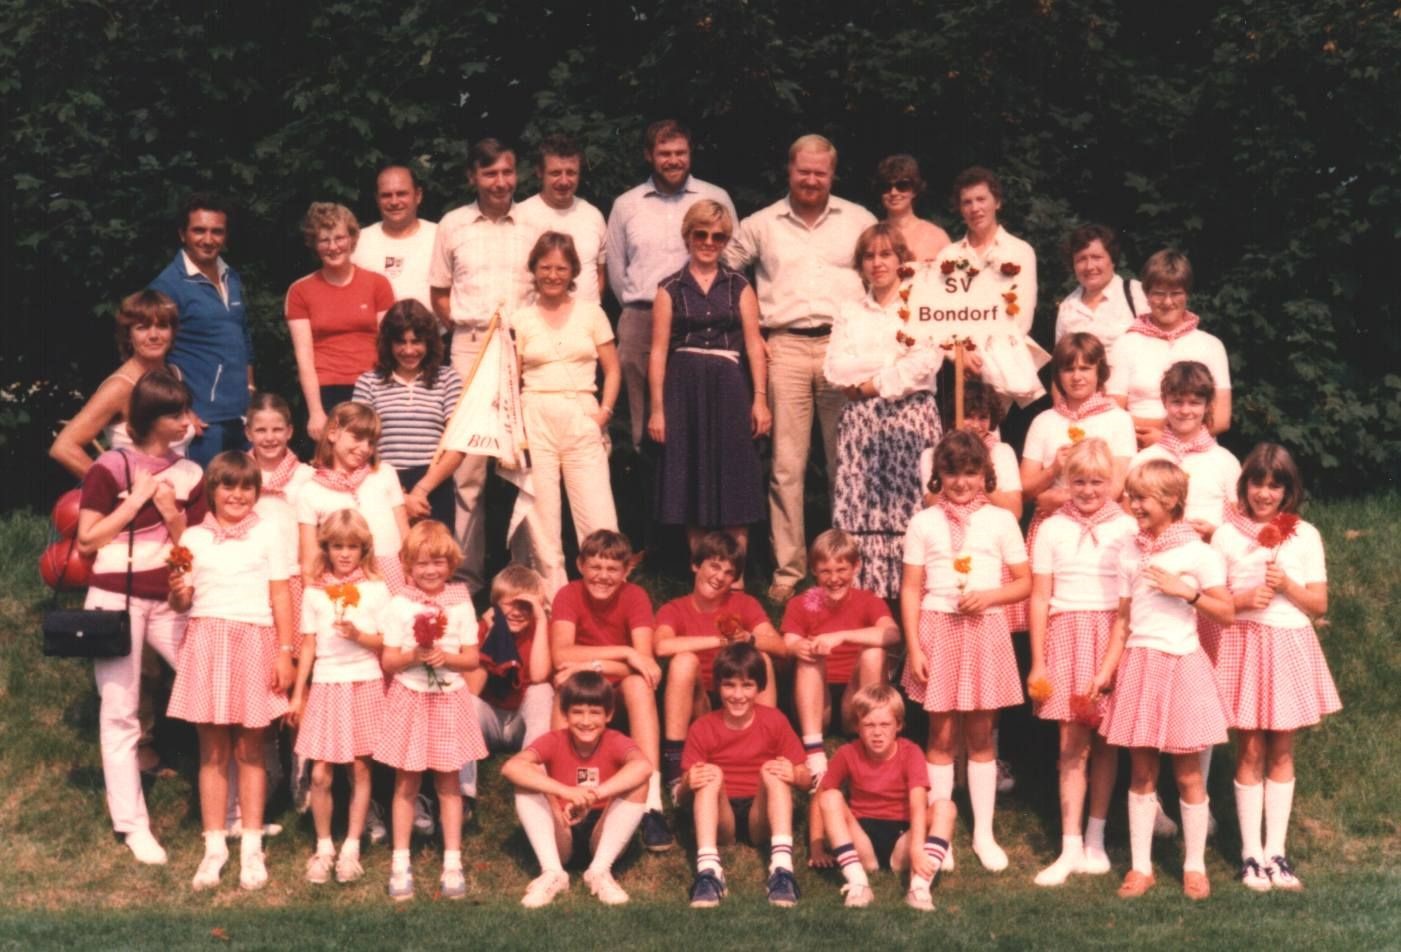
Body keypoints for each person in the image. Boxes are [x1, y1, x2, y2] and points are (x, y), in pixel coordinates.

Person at [724, 134, 877, 601]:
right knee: (786, 468)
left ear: (833, 174)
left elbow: (889, 273)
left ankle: (844, 568)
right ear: (789, 171)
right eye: (803, 171)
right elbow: (723, 274)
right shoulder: (761, 224)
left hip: (843, 347)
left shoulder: (859, 220)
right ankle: (788, 573)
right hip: (784, 346)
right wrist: (751, 332)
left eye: (821, 172)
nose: (811, 180)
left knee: (845, 465)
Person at [75, 370, 205, 865]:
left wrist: (173, 518)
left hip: (170, 598)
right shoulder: (109, 466)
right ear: (153, 419)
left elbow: (191, 546)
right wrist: (136, 499)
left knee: (210, 682)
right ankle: (133, 825)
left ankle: (232, 808)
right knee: (121, 712)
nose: (187, 422)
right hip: (115, 596)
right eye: (177, 414)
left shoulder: (192, 474)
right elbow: (88, 539)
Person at [1089, 459, 1234, 901]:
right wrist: (1105, 670)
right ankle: (1140, 867)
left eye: (1142, 498)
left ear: (1171, 501)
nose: (1133, 505)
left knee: (1189, 774)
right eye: (1130, 497)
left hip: (1183, 663)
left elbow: (1226, 613)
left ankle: (1194, 867)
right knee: (1142, 771)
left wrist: (1185, 591)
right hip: (1139, 664)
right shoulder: (1131, 550)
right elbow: (1123, 621)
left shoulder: (1199, 553)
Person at [1211, 444, 1340, 892]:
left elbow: (1319, 603)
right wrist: (1244, 600)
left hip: (1287, 641)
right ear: (1245, 485)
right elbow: (1214, 602)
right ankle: (1250, 855)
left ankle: (1276, 853)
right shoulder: (1227, 535)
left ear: (1288, 489)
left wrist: (1285, 584)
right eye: (1257, 483)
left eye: (1275, 484)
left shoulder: (1305, 535)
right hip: (1244, 642)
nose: (1265, 494)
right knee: (1248, 749)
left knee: (1281, 750)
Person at [900, 430, 1030, 872]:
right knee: (939, 735)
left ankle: (984, 833)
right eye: (952, 473)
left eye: (971, 473)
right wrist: (914, 645)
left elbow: (1025, 582)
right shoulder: (923, 522)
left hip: (984, 628)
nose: (961, 482)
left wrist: (991, 597)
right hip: (938, 628)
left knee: (979, 733)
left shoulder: (1000, 521)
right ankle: (943, 830)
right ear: (938, 475)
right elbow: (911, 587)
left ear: (985, 476)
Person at [166, 452, 295, 891]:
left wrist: (284, 651)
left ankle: (251, 846)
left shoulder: (271, 532)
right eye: (228, 486)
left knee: (251, 749)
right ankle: (215, 845)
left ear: (256, 492)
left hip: (255, 641)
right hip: (206, 641)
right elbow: (183, 603)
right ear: (212, 491)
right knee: (213, 751)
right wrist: (178, 593)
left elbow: (281, 595)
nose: (237, 495)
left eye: (246, 487)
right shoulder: (193, 539)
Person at [1025, 439, 1137, 885]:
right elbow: (1038, 597)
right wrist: (1038, 662)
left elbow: (1130, 599)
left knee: (1107, 740)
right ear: (1066, 482)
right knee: (1071, 744)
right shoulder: (1051, 527)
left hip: (1114, 634)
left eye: (1097, 481)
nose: (1088, 490)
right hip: (1066, 633)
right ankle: (1070, 846)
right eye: (1079, 481)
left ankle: (1096, 838)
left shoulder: (1128, 527)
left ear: (1112, 483)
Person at [428, 137, 533, 593]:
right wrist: (472, 335)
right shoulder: (453, 225)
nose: (500, 182)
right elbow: (439, 293)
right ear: (473, 177)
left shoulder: (532, 224)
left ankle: (524, 574)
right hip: (470, 346)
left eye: (507, 172)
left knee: (525, 463)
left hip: (523, 350)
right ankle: (467, 578)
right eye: (490, 174)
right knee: (467, 470)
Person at [825, 223, 942, 598]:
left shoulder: (920, 307)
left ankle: (910, 607)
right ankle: (863, 605)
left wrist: (874, 382)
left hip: (911, 417)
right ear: (861, 265)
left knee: (909, 507)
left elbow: (926, 360)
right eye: (869, 256)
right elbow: (835, 369)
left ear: (901, 260)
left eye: (886, 254)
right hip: (860, 422)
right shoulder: (849, 310)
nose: (878, 263)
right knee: (863, 511)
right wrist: (893, 360)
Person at [373, 520, 486, 902]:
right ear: (407, 565)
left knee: (448, 784)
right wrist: (414, 655)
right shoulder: (400, 603)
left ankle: (452, 861)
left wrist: (446, 658)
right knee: (406, 783)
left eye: (438, 562)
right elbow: (389, 660)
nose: (430, 570)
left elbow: (471, 658)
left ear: (451, 564)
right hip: (410, 695)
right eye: (421, 564)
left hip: (448, 696)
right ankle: (400, 860)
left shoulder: (461, 599)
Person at [607, 119, 737, 448]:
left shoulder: (714, 196)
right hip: (642, 318)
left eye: (680, 152)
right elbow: (616, 268)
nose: (674, 160)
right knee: (643, 419)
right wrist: (638, 307)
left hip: (700, 319)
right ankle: (651, 491)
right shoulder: (627, 204)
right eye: (665, 153)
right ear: (649, 156)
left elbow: (729, 255)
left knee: (693, 416)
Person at [649, 200, 769, 553]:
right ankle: (700, 568)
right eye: (700, 234)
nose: (708, 242)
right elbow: (657, 352)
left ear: (725, 241)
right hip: (683, 387)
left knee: (735, 470)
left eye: (717, 236)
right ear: (688, 236)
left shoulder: (740, 286)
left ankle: (737, 573)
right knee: (691, 468)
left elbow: (753, 345)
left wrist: (760, 399)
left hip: (729, 385)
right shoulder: (669, 288)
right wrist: (658, 409)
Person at [512, 231, 622, 594]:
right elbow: (511, 379)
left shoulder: (591, 313)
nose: (553, 275)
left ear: (573, 270)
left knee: (598, 513)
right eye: (545, 267)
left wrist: (604, 413)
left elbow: (613, 368)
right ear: (534, 269)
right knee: (543, 521)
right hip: (536, 415)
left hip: (582, 414)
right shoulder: (521, 318)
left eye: (561, 267)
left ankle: (606, 594)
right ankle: (552, 600)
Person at [549, 529, 672, 850]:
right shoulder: (568, 594)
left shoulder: (635, 597)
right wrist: (624, 653)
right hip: (581, 692)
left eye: (612, 569)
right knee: (565, 682)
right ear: (580, 565)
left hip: (618, 692)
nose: (603, 576)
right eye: (595, 567)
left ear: (626, 570)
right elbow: (561, 656)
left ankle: (651, 804)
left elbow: (644, 664)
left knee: (639, 684)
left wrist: (592, 664)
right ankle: (563, 796)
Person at [287, 510, 390, 885]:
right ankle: (324, 846)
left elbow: (386, 641)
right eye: (337, 546)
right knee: (319, 773)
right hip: (328, 685)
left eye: (352, 547)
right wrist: (299, 695)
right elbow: (310, 644)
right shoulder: (314, 590)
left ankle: (351, 847)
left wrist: (359, 635)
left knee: (360, 768)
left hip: (363, 682)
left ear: (364, 549)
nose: (345, 554)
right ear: (325, 547)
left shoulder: (376, 589)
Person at [502, 671, 652, 908]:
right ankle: (552, 872)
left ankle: (600, 871)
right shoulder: (554, 739)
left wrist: (594, 795)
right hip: (563, 827)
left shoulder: (615, 739)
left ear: (608, 715)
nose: (585, 721)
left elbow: (643, 766)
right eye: (577, 712)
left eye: (594, 712)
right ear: (565, 714)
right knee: (527, 777)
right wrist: (566, 792)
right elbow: (511, 767)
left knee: (639, 781)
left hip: (603, 828)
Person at [654, 532, 786, 796]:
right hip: (699, 700)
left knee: (761, 658)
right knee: (684, 661)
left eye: (728, 572)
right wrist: (719, 642)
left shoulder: (743, 603)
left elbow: (780, 645)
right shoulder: (674, 608)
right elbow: (661, 646)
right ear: (696, 565)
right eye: (714, 566)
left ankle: (764, 753)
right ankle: (674, 770)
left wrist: (749, 638)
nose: (719, 577)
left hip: (738, 695)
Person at [680, 643, 811, 909]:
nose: (738, 695)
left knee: (772, 769)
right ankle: (708, 871)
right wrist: (687, 782)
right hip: (722, 813)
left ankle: (782, 869)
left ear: (760, 687)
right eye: (729, 685)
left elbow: (807, 779)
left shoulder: (774, 721)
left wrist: (794, 775)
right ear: (717, 686)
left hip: (761, 812)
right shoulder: (703, 726)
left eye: (747, 685)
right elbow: (682, 796)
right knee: (709, 772)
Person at [814, 684, 954, 911]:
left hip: (902, 839)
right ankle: (858, 882)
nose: (877, 732)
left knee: (945, 807)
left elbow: (918, 803)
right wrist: (816, 846)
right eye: (869, 725)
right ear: (857, 727)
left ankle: (919, 888)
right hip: (862, 841)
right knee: (830, 796)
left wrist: (917, 848)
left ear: (898, 725)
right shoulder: (847, 753)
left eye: (885, 724)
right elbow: (821, 795)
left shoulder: (911, 752)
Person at [243, 392, 314, 820]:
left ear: (289, 431)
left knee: (300, 680)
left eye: (277, 429)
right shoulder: (239, 473)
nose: (269, 438)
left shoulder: (306, 478)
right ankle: (266, 770)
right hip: (253, 587)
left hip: (296, 582)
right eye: (260, 430)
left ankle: (301, 770)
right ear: (248, 431)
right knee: (265, 677)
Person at [782, 529, 900, 781]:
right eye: (825, 571)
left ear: (855, 566)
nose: (834, 578)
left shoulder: (868, 600)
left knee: (874, 653)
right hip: (815, 696)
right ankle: (814, 754)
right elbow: (788, 641)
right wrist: (799, 646)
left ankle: (868, 740)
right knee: (808, 657)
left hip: (855, 694)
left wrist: (843, 636)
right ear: (814, 570)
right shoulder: (801, 602)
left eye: (841, 570)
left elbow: (892, 634)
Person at [149, 193, 253, 465]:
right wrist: (181, 411)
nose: (208, 239)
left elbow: (243, 338)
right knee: (207, 502)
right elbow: (152, 355)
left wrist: (250, 390)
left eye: (217, 231)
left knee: (243, 500)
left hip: (241, 417)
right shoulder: (167, 287)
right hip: (203, 422)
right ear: (183, 234)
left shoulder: (232, 277)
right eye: (199, 230)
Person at [51, 290, 194, 476]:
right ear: (129, 335)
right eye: (142, 327)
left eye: (162, 326)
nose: (153, 335)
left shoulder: (174, 374)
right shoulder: (120, 387)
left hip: (180, 492)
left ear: (173, 332)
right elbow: (63, 447)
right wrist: (114, 490)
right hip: (142, 499)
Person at [286, 203, 395, 442]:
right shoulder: (300, 291)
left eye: (339, 238)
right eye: (324, 240)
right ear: (314, 244)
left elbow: (389, 349)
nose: (333, 247)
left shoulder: (378, 284)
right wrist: (315, 411)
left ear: (352, 239)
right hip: (325, 391)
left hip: (372, 386)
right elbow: (304, 359)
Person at [351, 300, 464, 528]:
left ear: (429, 342)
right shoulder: (368, 382)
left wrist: (421, 489)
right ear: (388, 344)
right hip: (383, 481)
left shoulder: (448, 379)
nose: (409, 350)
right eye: (400, 342)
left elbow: (458, 445)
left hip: (434, 485)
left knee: (432, 561)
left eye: (417, 342)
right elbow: (358, 444)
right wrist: (399, 496)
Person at [1106, 249, 1231, 448]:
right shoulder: (1125, 344)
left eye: (1176, 294)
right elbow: (1113, 415)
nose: (1167, 302)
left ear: (1187, 295)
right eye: (1158, 294)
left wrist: (1166, 438)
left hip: (1196, 451)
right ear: (1146, 295)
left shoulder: (1211, 346)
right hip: (1139, 448)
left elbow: (1221, 419)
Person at [457, 564, 556, 811]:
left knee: (542, 691)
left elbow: (540, 675)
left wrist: (542, 620)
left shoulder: (541, 629)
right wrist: (490, 637)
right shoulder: (483, 628)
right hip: (491, 720)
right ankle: (463, 795)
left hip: (524, 722)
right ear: (495, 604)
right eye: (509, 604)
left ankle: (533, 780)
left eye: (525, 605)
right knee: (462, 703)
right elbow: (472, 690)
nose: (517, 612)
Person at [1020, 333, 1137, 524]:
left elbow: (1116, 486)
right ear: (1058, 374)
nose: (1076, 377)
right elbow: (1024, 490)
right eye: (1068, 369)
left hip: (1103, 521)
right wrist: (1052, 470)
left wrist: (1060, 500)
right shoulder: (1043, 421)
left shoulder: (1119, 419)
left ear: (1099, 371)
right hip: (1053, 523)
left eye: (1085, 368)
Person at [297, 402, 411, 593]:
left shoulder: (384, 474)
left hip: (389, 577)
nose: (365, 448)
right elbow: (310, 562)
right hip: (343, 583)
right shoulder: (311, 490)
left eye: (371, 442)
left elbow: (406, 537)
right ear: (333, 433)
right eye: (357, 438)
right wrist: (315, 605)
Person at [1129, 361, 1241, 541]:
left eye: (1195, 403)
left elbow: (1239, 525)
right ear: (1164, 401)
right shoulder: (1144, 460)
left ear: (1208, 405)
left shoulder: (1225, 461)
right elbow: (1130, 520)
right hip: (1154, 557)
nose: (1185, 410)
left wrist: (1215, 533)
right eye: (1177, 402)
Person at [517, 134, 608, 304]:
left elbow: (600, 273)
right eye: (555, 173)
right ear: (539, 172)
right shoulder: (520, 216)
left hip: (585, 323)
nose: (564, 181)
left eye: (571, 173)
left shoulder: (593, 215)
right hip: (535, 323)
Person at [352, 164, 439, 313]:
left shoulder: (440, 236)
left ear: (418, 195)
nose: (394, 202)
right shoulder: (358, 242)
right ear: (377, 199)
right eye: (386, 195)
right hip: (375, 335)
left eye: (401, 194)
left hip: (433, 334)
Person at [1054, 224, 1148, 351]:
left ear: (1112, 260)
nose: (1089, 266)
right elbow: (1062, 362)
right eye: (1081, 259)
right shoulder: (1068, 307)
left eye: (1096, 257)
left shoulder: (1135, 293)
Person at [873, 154, 950, 261]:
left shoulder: (936, 236)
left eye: (902, 186)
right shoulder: (872, 236)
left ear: (914, 190)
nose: (893, 192)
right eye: (886, 187)